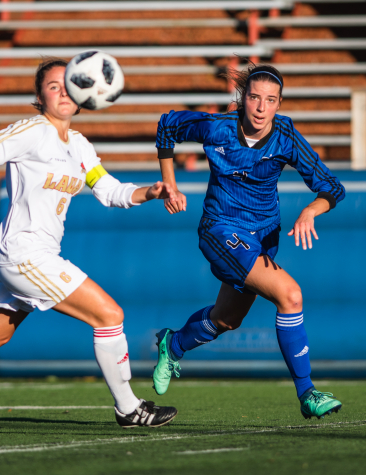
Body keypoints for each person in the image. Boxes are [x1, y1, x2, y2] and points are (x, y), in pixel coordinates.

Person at [0, 57, 178, 437]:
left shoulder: (79, 146)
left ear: (83, 93)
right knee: (109, 315)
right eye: (52, 86)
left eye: (68, 84)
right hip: (23, 253)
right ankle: (129, 408)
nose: (62, 91)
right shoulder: (32, 131)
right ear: (39, 96)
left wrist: (152, 191)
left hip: (32, 255)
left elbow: (110, 191)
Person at [152, 63, 345, 420]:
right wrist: (170, 183)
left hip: (264, 236)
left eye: (270, 100)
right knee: (290, 295)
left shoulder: (285, 136)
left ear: (279, 104)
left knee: (226, 320)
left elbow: (332, 188)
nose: (260, 107)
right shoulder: (217, 128)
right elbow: (167, 125)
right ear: (243, 99)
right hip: (220, 229)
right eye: (254, 97)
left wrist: (310, 211)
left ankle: (172, 343)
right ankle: (308, 393)